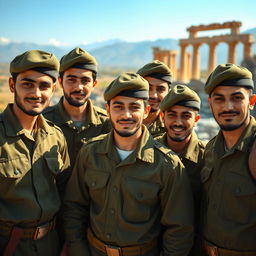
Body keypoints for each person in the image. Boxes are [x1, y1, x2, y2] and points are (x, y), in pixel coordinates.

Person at [63, 72, 194, 256]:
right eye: (118, 107)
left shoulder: (167, 165)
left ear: (146, 111)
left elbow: (179, 229)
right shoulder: (90, 153)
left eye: (134, 107)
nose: (126, 115)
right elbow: (74, 207)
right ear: (107, 109)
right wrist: (78, 250)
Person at [0, 50, 70, 256]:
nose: (36, 93)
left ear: (54, 88)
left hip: (51, 243)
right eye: (27, 84)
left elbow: (66, 194)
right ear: (12, 85)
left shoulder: (55, 136)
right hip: (9, 246)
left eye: (44, 86)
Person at [202, 63, 256, 255]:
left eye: (236, 98)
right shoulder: (210, 149)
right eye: (219, 99)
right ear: (210, 104)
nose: (227, 107)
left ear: (251, 101)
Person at [156, 84, 206, 256]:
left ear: (196, 119)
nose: (178, 122)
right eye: (172, 115)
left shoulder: (207, 159)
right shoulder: (147, 154)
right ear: (162, 117)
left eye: (185, 116)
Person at [44, 47, 111, 168]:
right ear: (60, 82)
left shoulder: (106, 124)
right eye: (71, 80)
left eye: (85, 80)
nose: (79, 87)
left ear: (94, 84)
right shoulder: (43, 121)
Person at [137, 60, 172, 137]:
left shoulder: (172, 128)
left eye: (160, 89)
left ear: (168, 93)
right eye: (148, 88)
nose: (153, 95)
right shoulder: (119, 122)